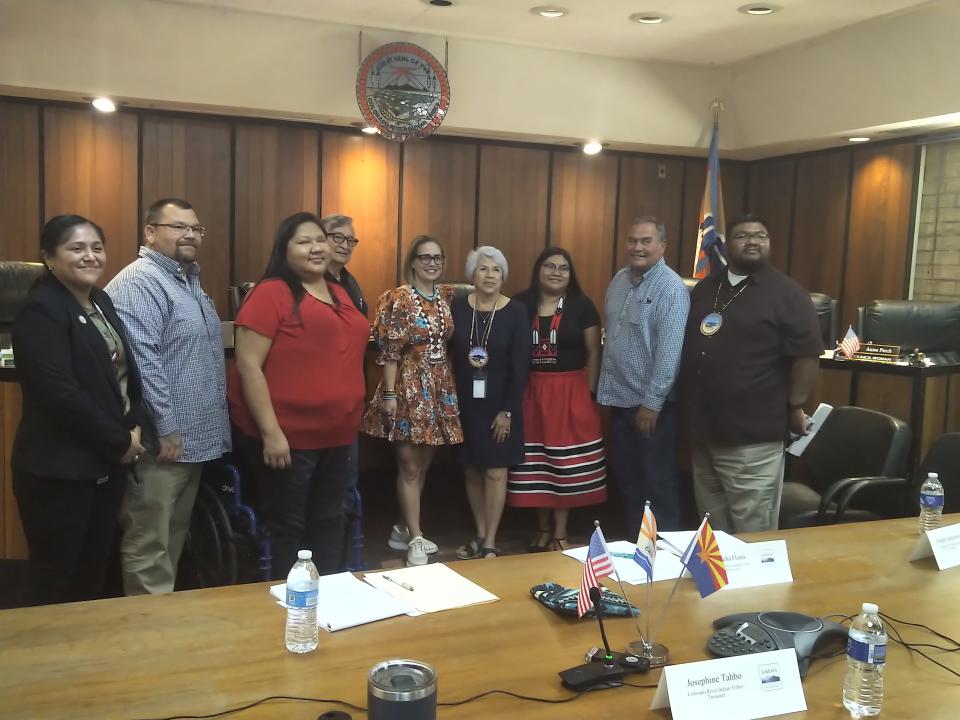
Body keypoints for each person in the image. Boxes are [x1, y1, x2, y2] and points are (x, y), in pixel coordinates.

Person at [12, 215, 145, 605]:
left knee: (94, 570)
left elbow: (124, 373)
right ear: (49, 258)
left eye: (97, 247)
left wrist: (134, 425)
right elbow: (61, 395)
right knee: (57, 576)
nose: (90, 256)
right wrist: (119, 440)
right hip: (59, 470)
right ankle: (47, 661)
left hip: (106, 462)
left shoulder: (99, 299)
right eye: (77, 248)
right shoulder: (42, 310)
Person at [228, 212, 370, 577]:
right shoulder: (270, 294)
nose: (315, 247)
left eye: (320, 239)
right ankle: (287, 606)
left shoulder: (340, 291)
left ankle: (329, 602)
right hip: (289, 441)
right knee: (289, 528)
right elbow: (248, 366)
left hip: (338, 437)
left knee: (330, 520)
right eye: (303, 241)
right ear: (284, 249)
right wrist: (272, 433)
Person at [106, 198, 231, 595]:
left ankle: (165, 635)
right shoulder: (141, 280)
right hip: (163, 444)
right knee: (149, 544)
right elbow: (145, 360)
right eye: (178, 227)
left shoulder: (187, 279)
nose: (190, 234)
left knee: (172, 537)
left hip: (189, 443)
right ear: (150, 232)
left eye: (195, 228)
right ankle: (146, 640)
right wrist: (168, 428)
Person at [679, 213, 823, 533]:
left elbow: (807, 356)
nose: (753, 241)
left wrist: (795, 405)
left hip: (752, 436)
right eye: (743, 236)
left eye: (761, 235)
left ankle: (755, 586)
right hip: (704, 433)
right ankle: (719, 585)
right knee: (712, 528)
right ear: (727, 244)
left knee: (752, 531)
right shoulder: (706, 288)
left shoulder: (788, 294)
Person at [361, 236, 463, 566]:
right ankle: (416, 538)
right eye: (425, 257)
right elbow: (389, 352)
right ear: (413, 262)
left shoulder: (447, 295)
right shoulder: (398, 299)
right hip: (406, 386)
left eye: (438, 258)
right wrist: (388, 395)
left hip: (439, 387)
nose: (432, 263)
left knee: (422, 466)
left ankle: (404, 527)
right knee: (408, 465)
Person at [508, 247, 606, 552]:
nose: (556, 272)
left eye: (563, 268)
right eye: (549, 266)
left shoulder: (582, 305)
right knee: (537, 463)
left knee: (563, 463)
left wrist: (589, 394)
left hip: (570, 391)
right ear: (538, 270)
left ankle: (560, 530)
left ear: (570, 273)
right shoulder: (521, 303)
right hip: (532, 391)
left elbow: (594, 354)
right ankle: (542, 527)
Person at [597, 217, 689, 535]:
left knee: (657, 483)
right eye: (633, 240)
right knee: (630, 481)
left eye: (646, 241)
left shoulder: (671, 288)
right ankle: (638, 549)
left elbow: (669, 353)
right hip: (621, 400)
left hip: (652, 409)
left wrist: (651, 404)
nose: (638, 247)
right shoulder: (619, 280)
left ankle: (664, 552)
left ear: (662, 246)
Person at [449, 246, 528, 559]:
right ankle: (480, 534)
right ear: (472, 275)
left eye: (496, 269)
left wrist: (507, 410)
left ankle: (492, 541)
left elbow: (521, 367)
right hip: (465, 404)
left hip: (501, 406)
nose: (490, 275)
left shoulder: (516, 311)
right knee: (471, 469)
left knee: (495, 472)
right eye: (483, 269)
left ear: (503, 276)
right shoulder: (457, 306)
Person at [320, 213, 368, 570]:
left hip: (348, 404)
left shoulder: (351, 284)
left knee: (342, 493)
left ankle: (340, 566)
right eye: (336, 236)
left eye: (350, 240)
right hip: (315, 404)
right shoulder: (307, 282)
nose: (344, 244)